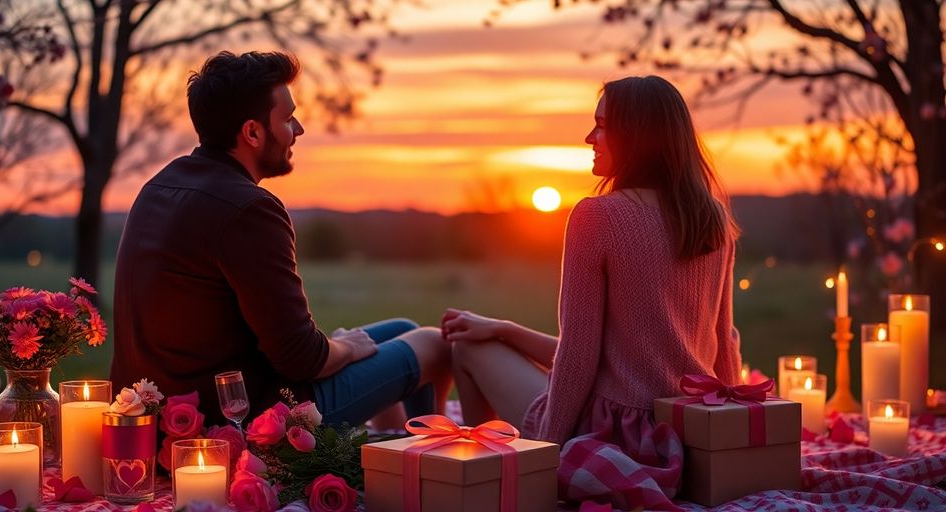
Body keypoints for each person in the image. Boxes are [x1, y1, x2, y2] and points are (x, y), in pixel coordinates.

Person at [442, 75, 741, 510]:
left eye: (602, 126)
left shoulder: (598, 216)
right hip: (684, 437)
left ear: (636, 135)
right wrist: (733, 436)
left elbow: (580, 356)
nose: (589, 138)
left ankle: (482, 482)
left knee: (467, 348)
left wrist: (546, 452)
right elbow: (721, 341)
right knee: (485, 336)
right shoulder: (712, 219)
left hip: (610, 435)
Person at [110, 51, 451, 430]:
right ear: (253, 133)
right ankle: (438, 465)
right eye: (287, 119)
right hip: (247, 418)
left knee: (402, 328)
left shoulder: (158, 187)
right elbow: (301, 359)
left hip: (166, 412)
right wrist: (342, 349)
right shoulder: (249, 209)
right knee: (433, 343)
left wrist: (337, 349)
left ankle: (397, 446)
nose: (299, 129)